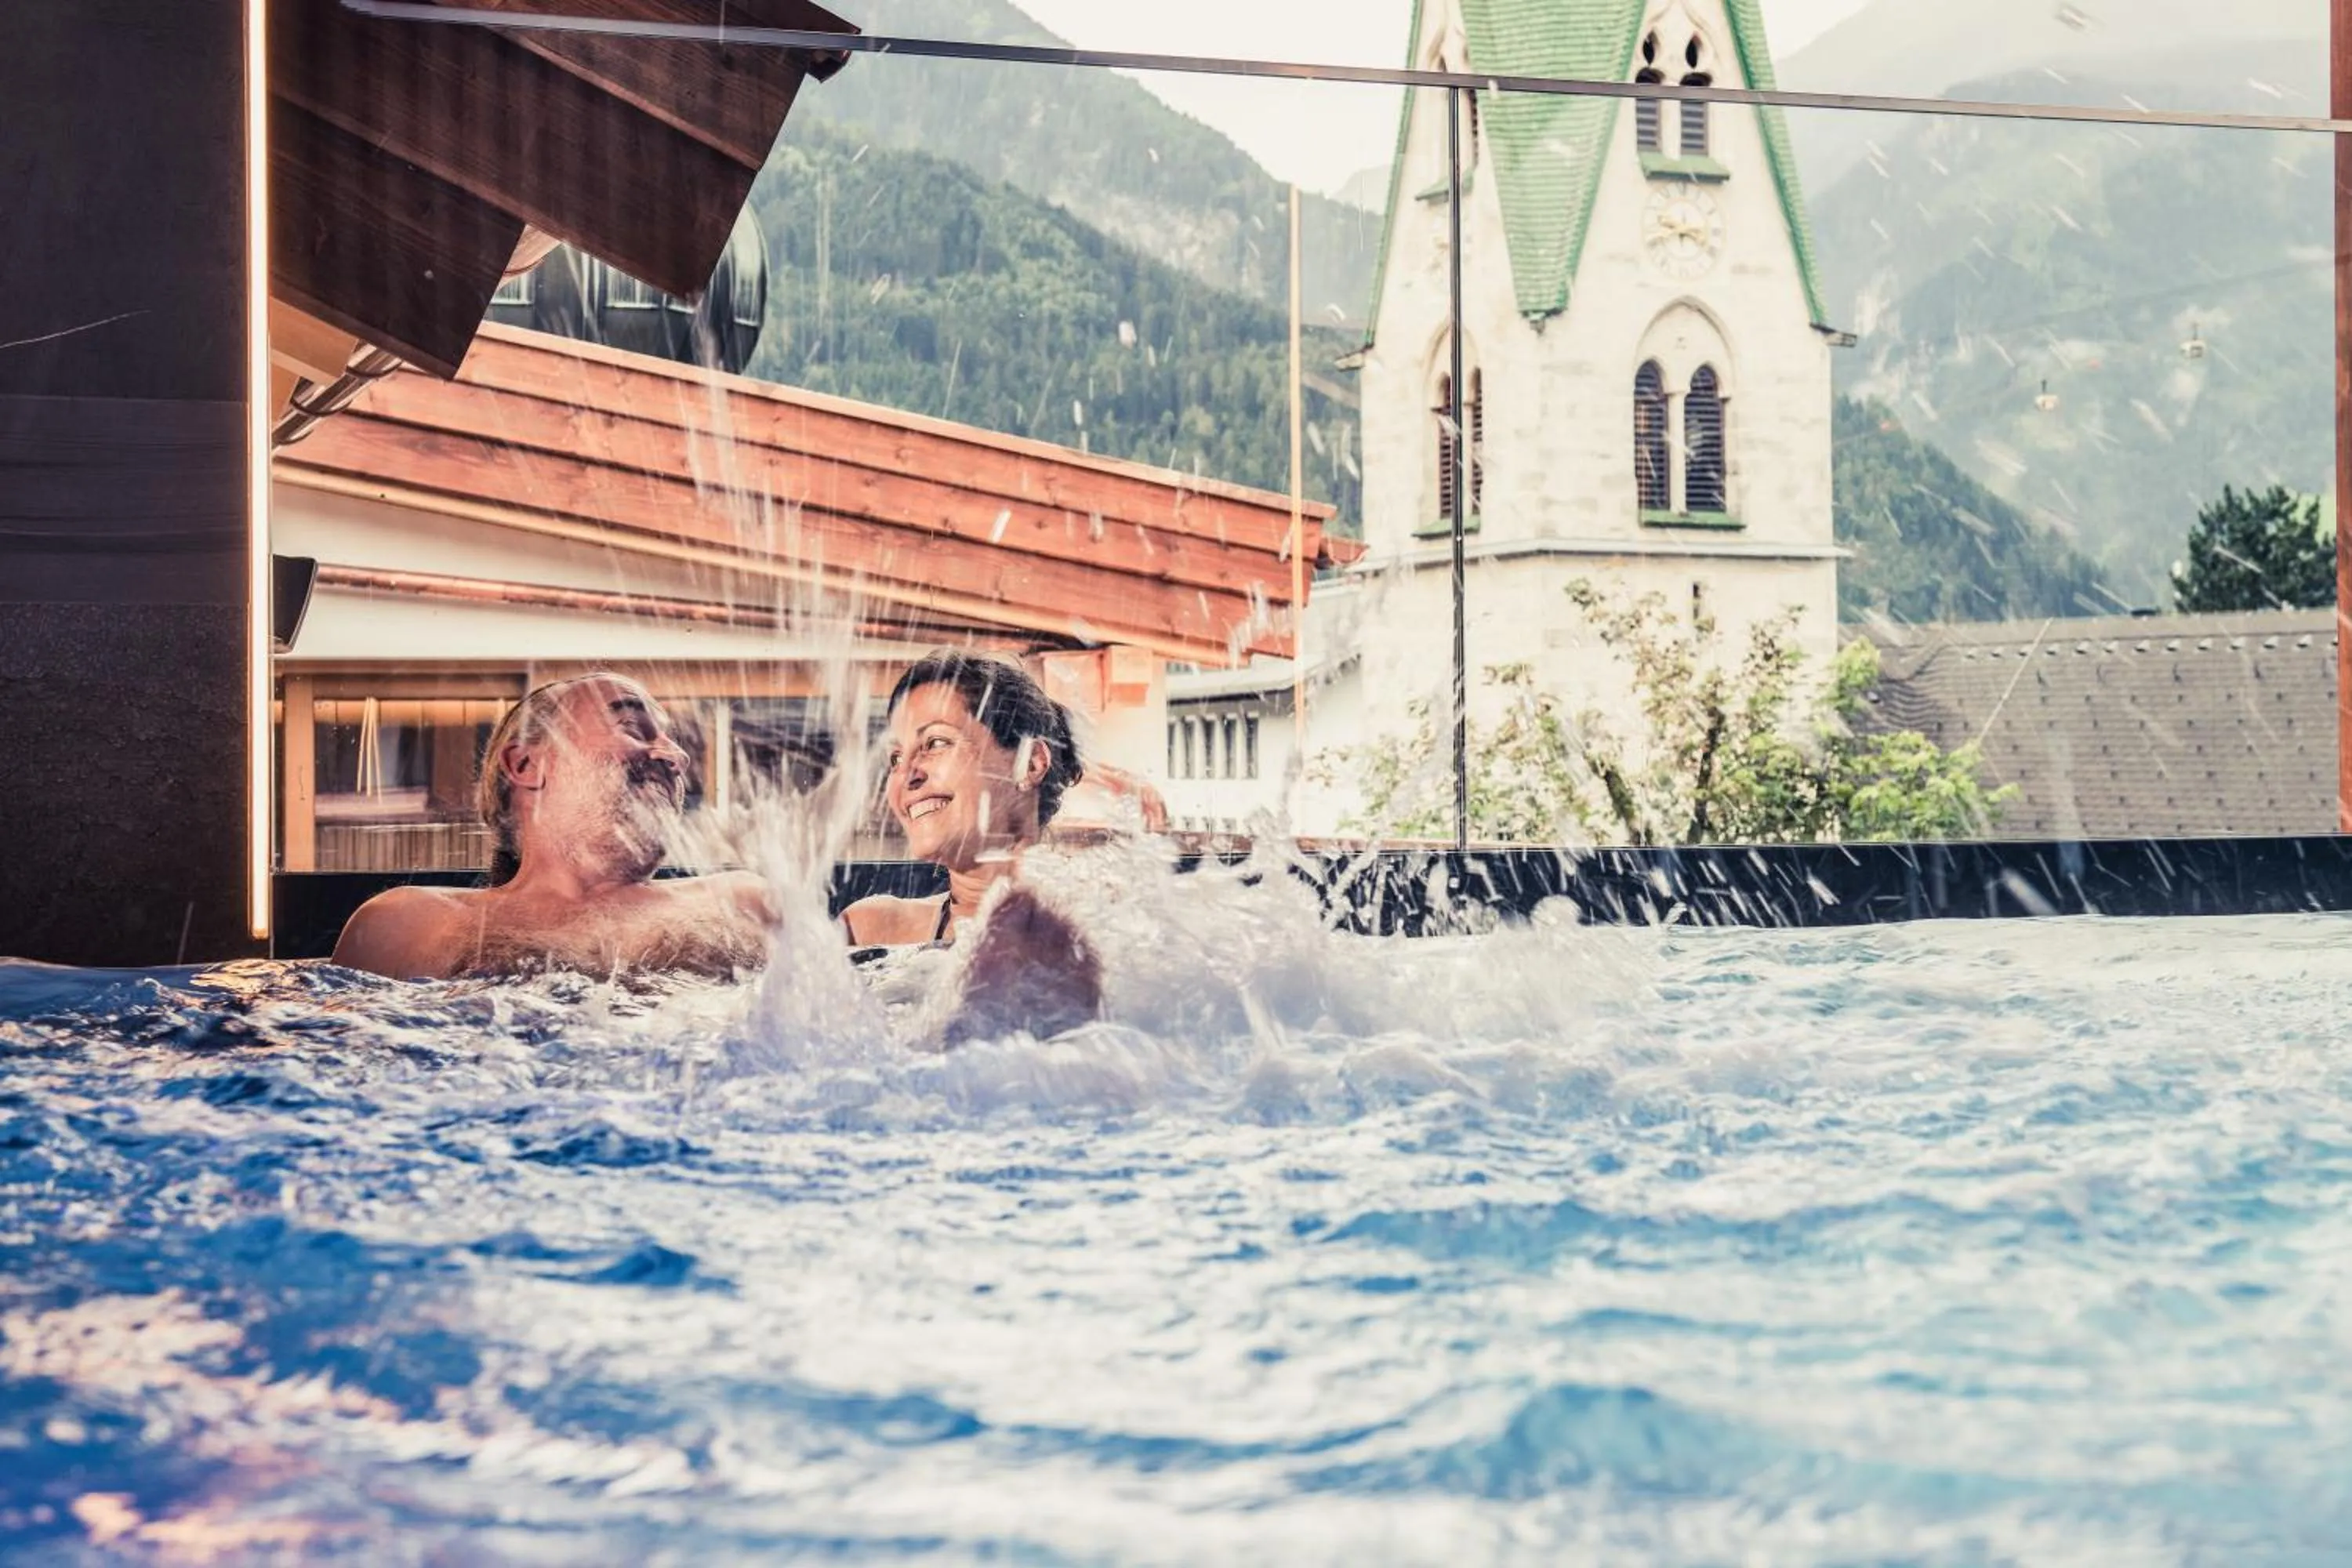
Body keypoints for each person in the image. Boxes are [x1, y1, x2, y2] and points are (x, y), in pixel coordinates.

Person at [332, 674, 769, 982]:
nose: (676, 757)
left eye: (671, 739)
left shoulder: (744, 901)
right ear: (526, 765)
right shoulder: (409, 924)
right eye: (635, 728)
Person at [840, 651, 1103, 1042]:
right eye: (896, 757)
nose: (906, 776)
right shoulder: (868, 927)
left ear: (1030, 765)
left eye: (935, 742)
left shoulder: (1090, 939)